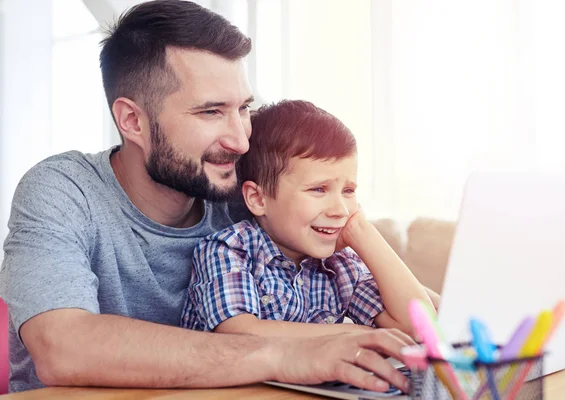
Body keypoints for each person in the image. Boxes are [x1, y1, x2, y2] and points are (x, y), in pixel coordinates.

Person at [0, 0, 414, 394]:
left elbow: (430, 319)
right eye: (210, 112)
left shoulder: (245, 191)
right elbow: (62, 347)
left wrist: (359, 229)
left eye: (244, 109)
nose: (239, 140)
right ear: (132, 121)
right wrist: (292, 352)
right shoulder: (63, 190)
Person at [181, 100, 437, 340]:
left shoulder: (341, 264)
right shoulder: (228, 250)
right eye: (318, 189)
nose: (340, 210)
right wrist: (357, 336)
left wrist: (364, 233)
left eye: (348, 191)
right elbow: (242, 334)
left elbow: (422, 329)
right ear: (259, 199)